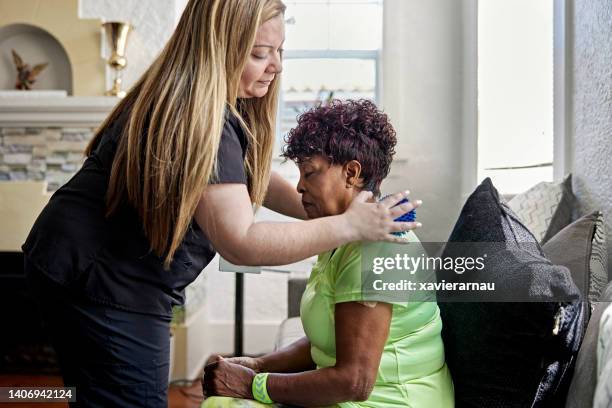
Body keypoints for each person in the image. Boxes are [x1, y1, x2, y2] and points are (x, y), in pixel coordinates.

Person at [21, 1, 421, 407]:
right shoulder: (200, 117)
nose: (276, 66)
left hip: (77, 261)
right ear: (219, 48)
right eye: (260, 53)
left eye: (280, 50)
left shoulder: (209, 103)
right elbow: (241, 243)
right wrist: (349, 226)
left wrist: (339, 211)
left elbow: (247, 178)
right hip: (99, 275)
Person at [201, 99, 453, 408]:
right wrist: (259, 365)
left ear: (351, 172)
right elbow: (331, 339)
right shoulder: (342, 234)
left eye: (309, 173)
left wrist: (252, 384)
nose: (298, 187)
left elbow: (355, 380)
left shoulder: (378, 249)